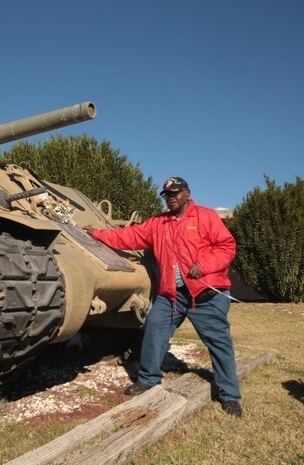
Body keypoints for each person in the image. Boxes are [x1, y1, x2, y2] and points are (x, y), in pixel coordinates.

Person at [83, 176, 242, 418]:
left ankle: (229, 395)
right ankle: (148, 379)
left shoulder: (206, 217)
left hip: (205, 295)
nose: (171, 198)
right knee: (154, 328)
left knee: (219, 344)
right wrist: (97, 234)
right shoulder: (159, 223)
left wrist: (204, 264)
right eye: (167, 194)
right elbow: (129, 236)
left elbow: (227, 247)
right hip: (172, 295)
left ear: (187, 193)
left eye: (175, 193)